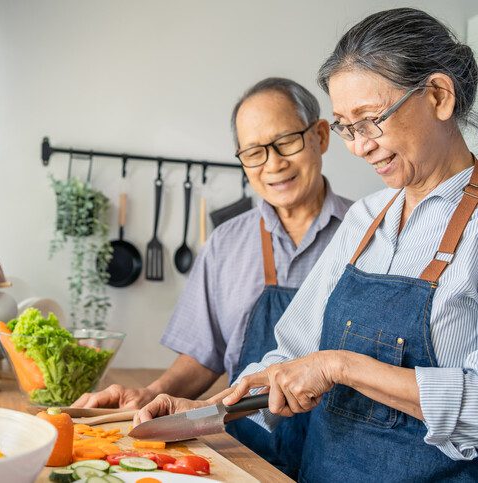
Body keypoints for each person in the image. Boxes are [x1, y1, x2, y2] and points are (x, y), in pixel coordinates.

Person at [135, 8, 478, 482]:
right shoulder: (364, 221)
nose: (359, 146)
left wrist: (341, 366)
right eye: (346, 126)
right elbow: (291, 357)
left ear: (438, 95)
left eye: (370, 119)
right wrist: (204, 409)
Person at [73, 77, 352, 477]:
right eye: (254, 152)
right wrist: (152, 394)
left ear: (321, 136)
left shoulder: (370, 235)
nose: (273, 164)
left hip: (339, 456)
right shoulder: (226, 242)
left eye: (287, 141)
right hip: (241, 451)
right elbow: (204, 354)